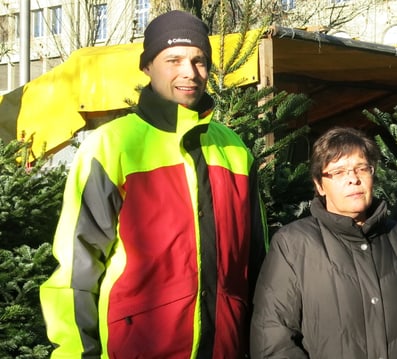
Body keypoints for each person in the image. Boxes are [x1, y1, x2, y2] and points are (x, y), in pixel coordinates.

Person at [39, 10, 267, 358]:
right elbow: (78, 268)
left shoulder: (235, 150)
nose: (189, 72)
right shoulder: (112, 146)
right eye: (173, 59)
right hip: (137, 348)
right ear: (147, 67)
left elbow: (258, 264)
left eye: (199, 61)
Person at [250, 127, 397, 358]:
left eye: (361, 168)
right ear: (320, 184)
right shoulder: (293, 246)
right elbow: (272, 336)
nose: (353, 179)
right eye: (338, 172)